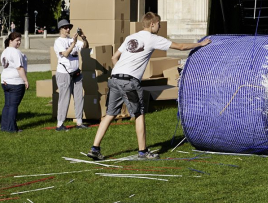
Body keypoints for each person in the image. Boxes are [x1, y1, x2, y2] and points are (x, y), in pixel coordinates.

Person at [88, 12, 211, 161]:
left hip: (114, 78)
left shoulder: (130, 37)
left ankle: (95, 149)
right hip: (129, 81)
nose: (159, 26)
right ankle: (143, 152)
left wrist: (122, 71)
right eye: (158, 23)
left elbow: (114, 57)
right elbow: (181, 46)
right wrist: (200, 44)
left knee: (109, 114)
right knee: (139, 114)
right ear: (152, 24)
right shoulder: (152, 39)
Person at [54, 19, 89, 131]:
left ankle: (79, 122)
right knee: (64, 98)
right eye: (65, 27)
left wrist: (83, 37)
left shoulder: (71, 39)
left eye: (69, 27)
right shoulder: (58, 42)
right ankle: (60, 124)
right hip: (64, 73)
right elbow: (65, 54)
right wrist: (73, 43)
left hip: (76, 73)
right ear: (60, 29)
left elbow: (85, 46)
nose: (68, 29)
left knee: (79, 97)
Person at [0, 32, 29, 133]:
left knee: (7, 105)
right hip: (15, 82)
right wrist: (25, 80)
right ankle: (11, 128)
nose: (19, 42)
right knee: (13, 106)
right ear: (10, 41)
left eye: (20, 40)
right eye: (17, 40)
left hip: (5, 81)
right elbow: (19, 68)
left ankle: (4, 126)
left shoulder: (5, 51)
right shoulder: (15, 52)